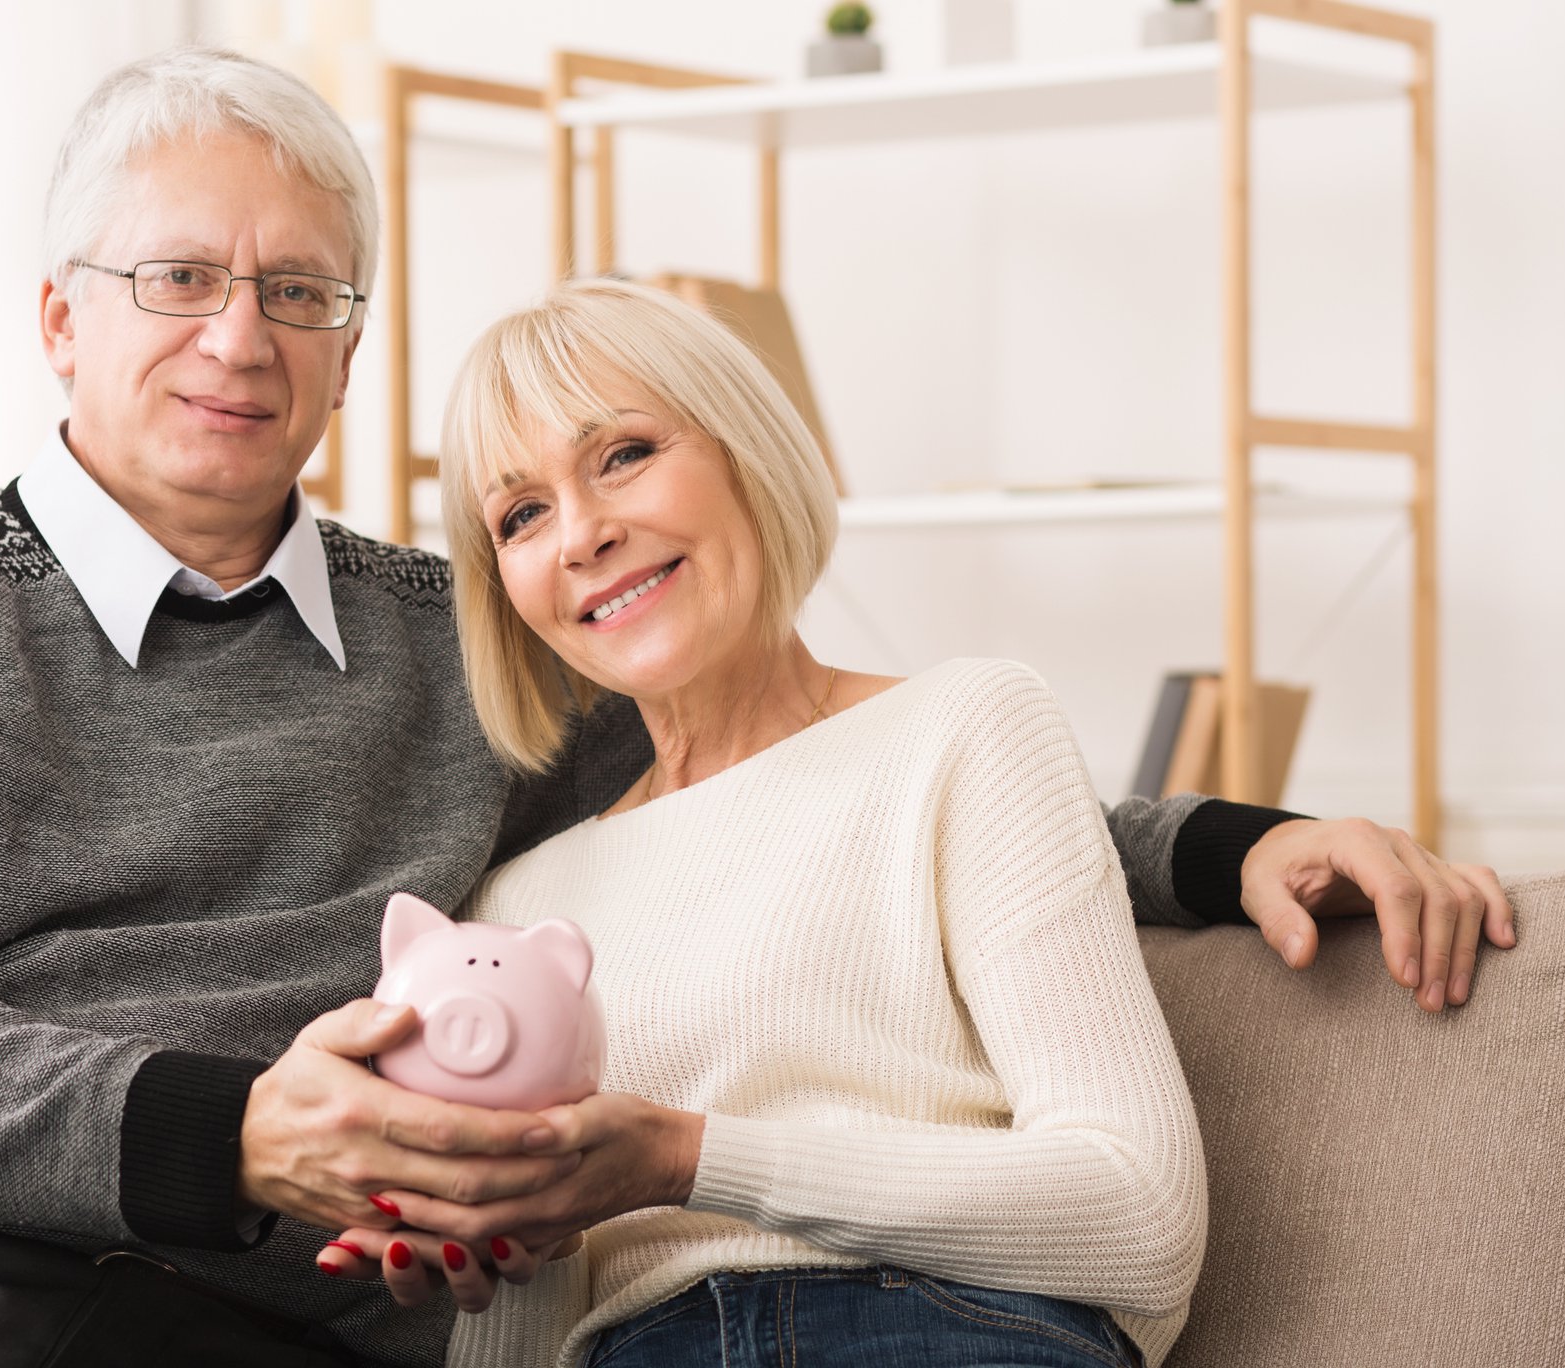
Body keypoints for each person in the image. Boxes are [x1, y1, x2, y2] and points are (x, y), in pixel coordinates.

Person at [0, 46, 1509, 1368]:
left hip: (259, 1336)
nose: (242, 337)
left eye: (302, 295)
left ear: (351, 349)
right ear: (61, 313)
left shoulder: (459, 647)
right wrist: (237, 1134)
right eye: (181, 278)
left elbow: (796, 778)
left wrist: (1234, 838)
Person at [321, 277, 1219, 1367]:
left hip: (939, 1333)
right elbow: (523, 1333)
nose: (582, 535)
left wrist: (684, 1158)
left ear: (744, 451)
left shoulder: (967, 727)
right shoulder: (523, 906)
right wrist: (485, 1239)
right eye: (522, 513)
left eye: (622, 455)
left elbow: (1140, 1220)